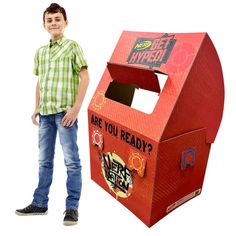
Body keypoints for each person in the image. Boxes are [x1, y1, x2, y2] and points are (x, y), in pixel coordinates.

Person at [15, 3, 89, 226]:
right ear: (44, 25)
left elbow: (84, 77)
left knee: (72, 161)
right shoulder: (40, 53)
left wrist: (76, 108)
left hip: (65, 114)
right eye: (50, 20)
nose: (54, 23)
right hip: (46, 115)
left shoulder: (72, 46)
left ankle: (72, 208)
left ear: (66, 22)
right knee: (44, 161)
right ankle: (40, 203)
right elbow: (40, 81)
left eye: (58, 19)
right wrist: (37, 106)